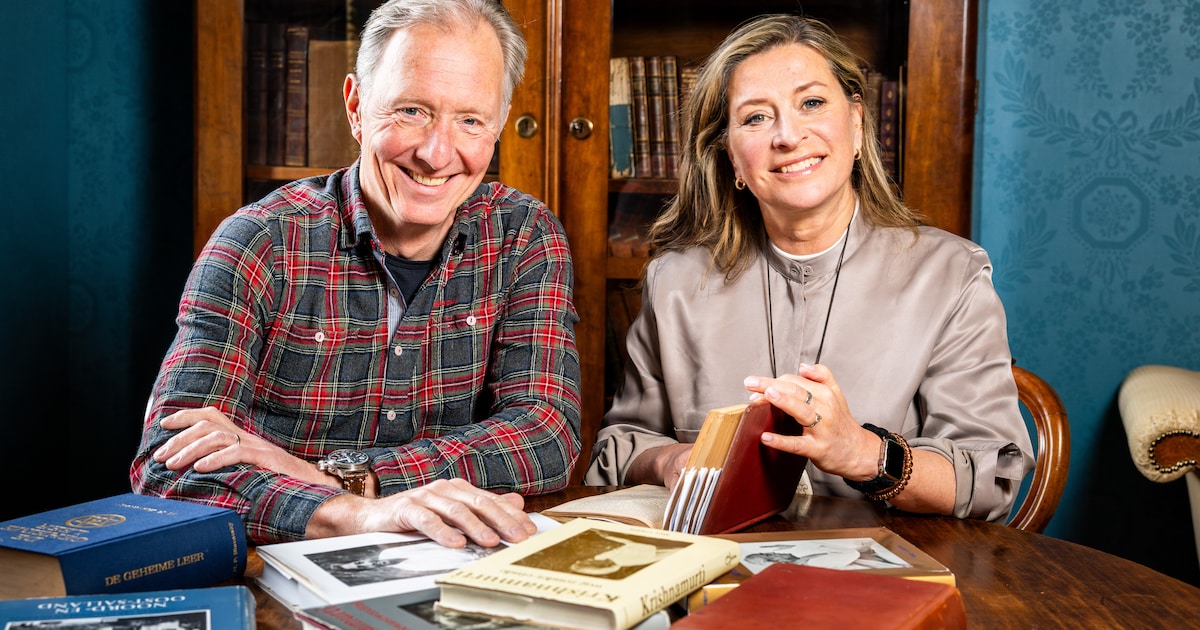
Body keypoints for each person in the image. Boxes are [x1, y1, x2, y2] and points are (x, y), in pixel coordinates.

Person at [131, 0, 581, 547]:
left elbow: (547, 436)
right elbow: (168, 468)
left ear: (499, 126)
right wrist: (354, 512)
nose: (437, 154)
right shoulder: (260, 242)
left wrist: (348, 476)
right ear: (356, 106)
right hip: (281, 574)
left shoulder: (524, 236)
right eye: (411, 111)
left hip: (457, 563)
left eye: (469, 120)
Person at [584, 14, 1034, 522]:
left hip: (883, 580)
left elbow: (988, 478)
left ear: (858, 124)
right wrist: (672, 460)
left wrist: (864, 454)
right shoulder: (676, 281)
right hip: (719, 569)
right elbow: (621, 446)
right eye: (755, 117)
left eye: (812, 103)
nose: (787, 135)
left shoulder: (951, 276)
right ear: (732, 157)